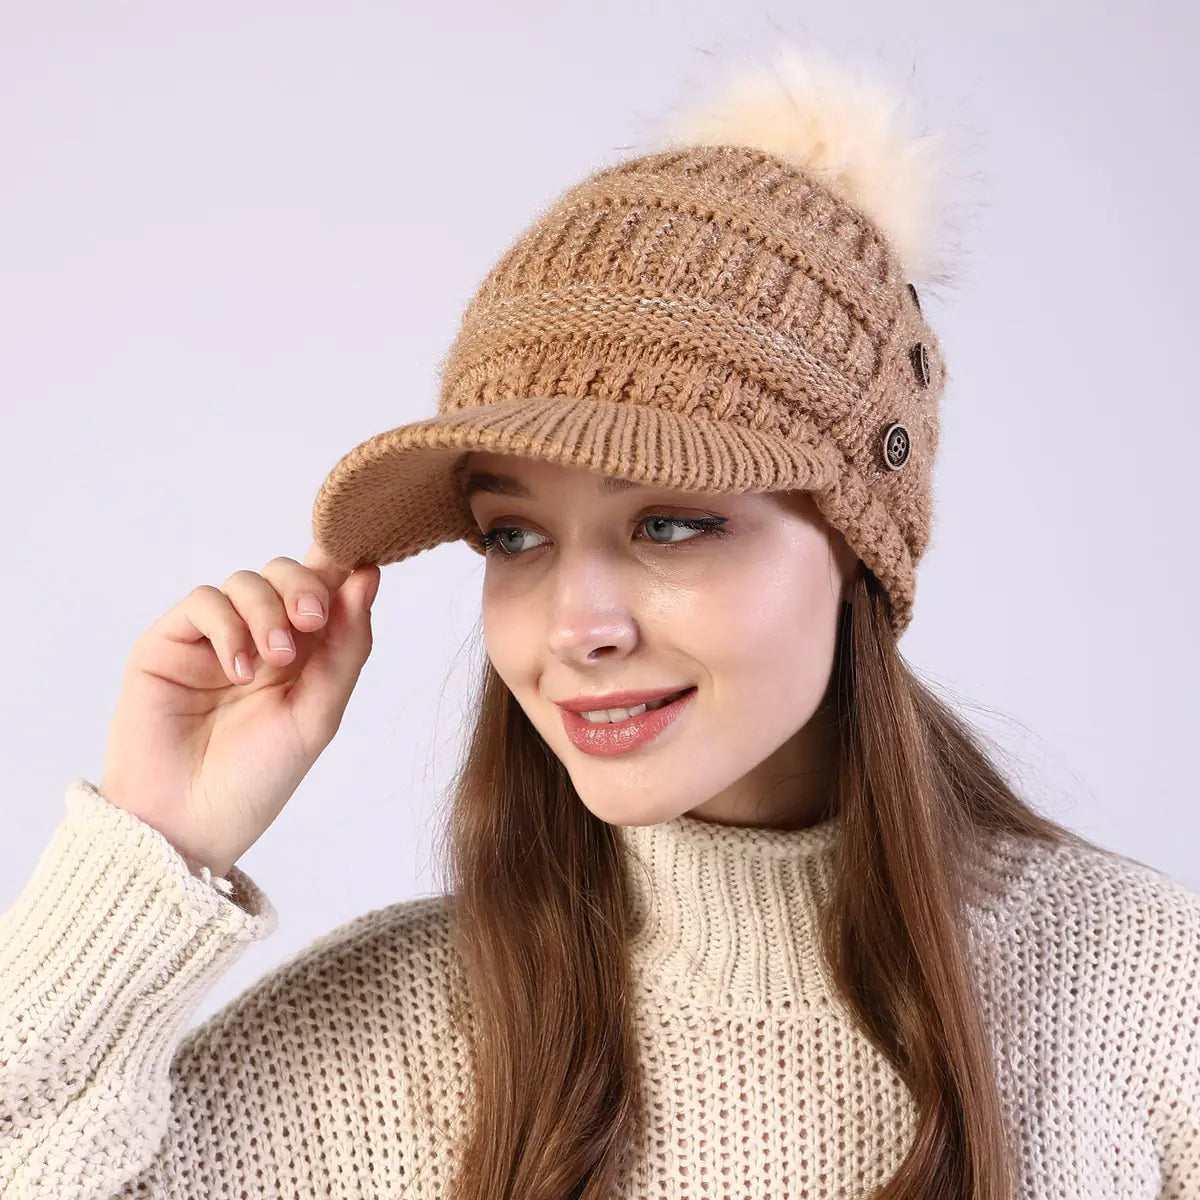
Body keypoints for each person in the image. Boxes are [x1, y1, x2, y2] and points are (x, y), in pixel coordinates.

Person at [2, 41, 1198, 1200]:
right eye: (514, 536)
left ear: (857, 546)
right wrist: (155, 845)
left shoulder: (1140, 990)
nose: (577, 627)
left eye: (670, 523)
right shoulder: (394, 1041)